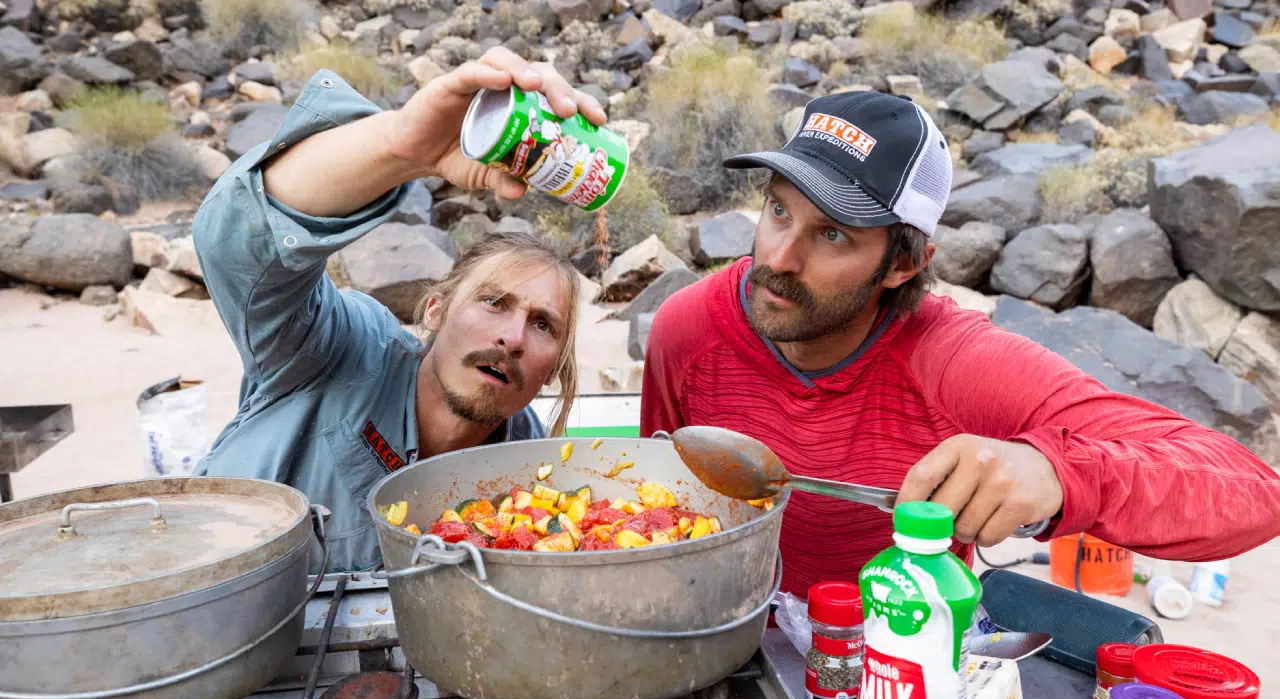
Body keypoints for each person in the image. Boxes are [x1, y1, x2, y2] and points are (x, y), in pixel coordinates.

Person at [639, 90, 1280, 596]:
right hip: (717, 640)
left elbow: (1254, 491)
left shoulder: (954, 364)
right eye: (779, 210)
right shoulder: (688, 329)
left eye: (833, 234)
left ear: (903, 265)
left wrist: (1058, 472)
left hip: (897, 666)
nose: (777, 259)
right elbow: (648, 513)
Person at [192, 48, 608, 573]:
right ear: (434, 310)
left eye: (543, 324)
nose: (513, 337)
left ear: (554, 371)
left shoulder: (531, 471)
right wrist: (402, 148)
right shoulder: (339, 347)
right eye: (493, 302)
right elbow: (237, 241)